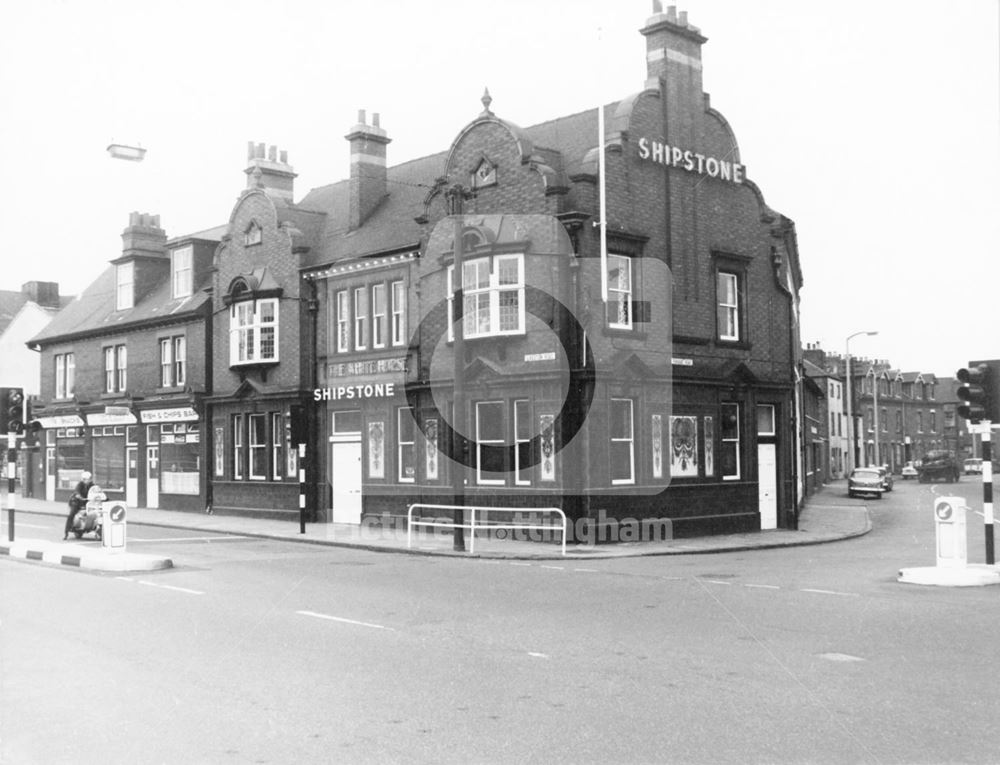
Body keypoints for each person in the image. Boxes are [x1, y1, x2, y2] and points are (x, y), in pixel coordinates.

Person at [64, 471, 93, 540]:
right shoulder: (80, 485)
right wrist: (78, 495)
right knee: (71, 514)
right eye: (88, 479)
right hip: (77, 501)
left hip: (87, 501)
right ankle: (66, 532)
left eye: (90, 478)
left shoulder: (92, 485)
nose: (89, 480)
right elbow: (77, 491)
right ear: (84, 479)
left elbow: (96, 490)